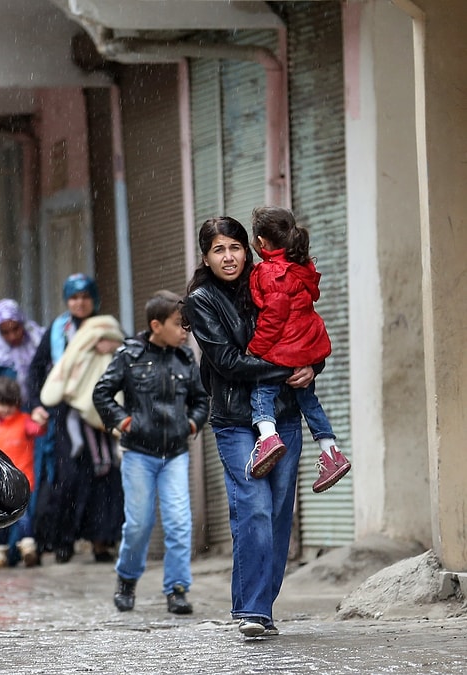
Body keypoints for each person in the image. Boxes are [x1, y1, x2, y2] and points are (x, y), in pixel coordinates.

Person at [182, 215, 319, 638]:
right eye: (218, 250)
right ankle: (253, 611)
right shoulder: (202, 300)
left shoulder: (270, 280)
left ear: (249, 250)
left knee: (277, 516)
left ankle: (261, 608)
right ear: (206, 257)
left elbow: (304, 328)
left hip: (284, 414)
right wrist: (287, 368)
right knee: (254, 508)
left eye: (235, 247)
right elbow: (227, 362)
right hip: (236, 422)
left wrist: (312, 365)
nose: (228, 257)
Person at [92, 290, 210, 616]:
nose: (185, 330)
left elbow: (201, 399)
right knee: (139, 524)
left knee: (179, 523)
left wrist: (191, 424)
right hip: (139, 455)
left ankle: (177, 589)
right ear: (156, 325)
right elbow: (102, 393)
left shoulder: (186, 358)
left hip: (175, 454)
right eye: (179, 324)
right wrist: (123, 422)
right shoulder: (129, 355)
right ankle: (127, 579)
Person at [246, 206, 352, 492]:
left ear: (261, 242)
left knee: (261, 390)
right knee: (308, 399)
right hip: (306, 345)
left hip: (285, 346)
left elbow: (274, 317)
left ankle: (268, 436)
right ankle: (331, 452)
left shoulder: (270, 272)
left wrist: (255, 349)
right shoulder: (302, 266)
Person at [27, 273, 125, 564]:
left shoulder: (107, 328)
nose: (79, 303)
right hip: (68, 415)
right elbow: (37, 369)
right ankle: (63, 541)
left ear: (94, 298)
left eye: (84, 297)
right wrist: (37, 404)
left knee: (105, 476)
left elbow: (132, 352)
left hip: (102, 411)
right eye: (73, 298)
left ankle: (102, 542)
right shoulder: (58, 330)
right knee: (69, 478)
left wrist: (116, 347)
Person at [0, 376, 44, 569]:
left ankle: (28, 549)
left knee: (23, 518)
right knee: (1, 521)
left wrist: (41, 420)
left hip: (20, 482)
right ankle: (0, 555)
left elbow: (37, 430)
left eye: (10, 405)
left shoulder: (24, 421)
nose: (6, 409)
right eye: (2, 404)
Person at [0, 299, 44, 407]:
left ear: (22, 323)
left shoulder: (38, 341)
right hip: (8, 413)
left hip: (41, 410)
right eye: (5, 332)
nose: (12, 336)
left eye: (15, 329)